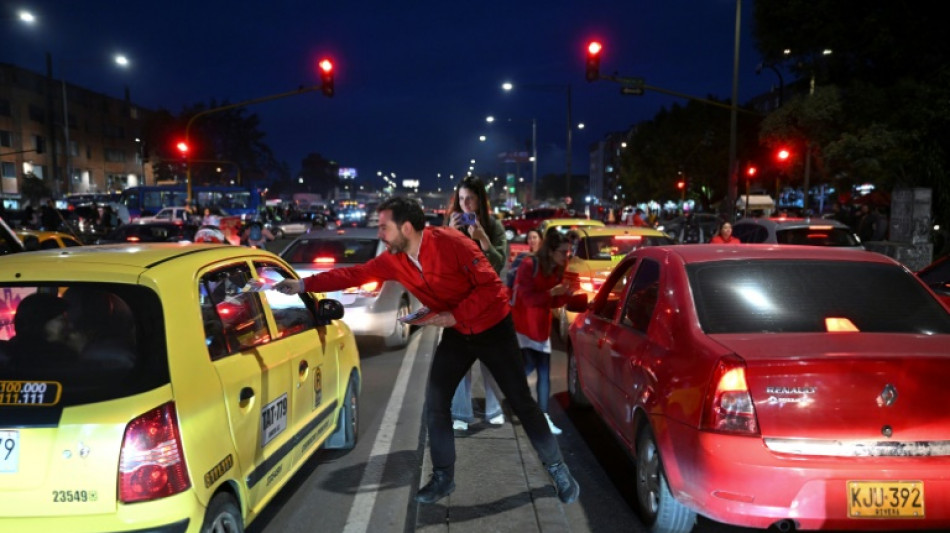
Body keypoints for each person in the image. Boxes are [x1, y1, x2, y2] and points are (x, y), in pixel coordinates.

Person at [273, 196, 579, 505]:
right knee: (436, 402)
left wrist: (454, 315)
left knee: (521, 402)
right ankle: (443, 478)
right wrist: (302, 285)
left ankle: (558, 469)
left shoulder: (452, 242)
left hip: (493, 328)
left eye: (384, 227)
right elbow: (354, 274)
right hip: (458, 333)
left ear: (406, 227)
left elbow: (492, 289)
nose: (380, 233)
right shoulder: (394, 259)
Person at [445, 176, 508, 430]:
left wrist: (483, 240)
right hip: (461, 303)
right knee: (460, 361)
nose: (465, 205)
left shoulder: (494, 226)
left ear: (480, 200)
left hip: (488, 304)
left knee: (490, 360)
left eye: (470, 199)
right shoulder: (453, 226)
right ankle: (461, 413)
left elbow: (498, 264)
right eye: (461, 199)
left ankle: (494, 409)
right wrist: (450, 233)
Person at [512, 231, 575, 435]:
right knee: (534, 366)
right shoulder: (529, 265)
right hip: (524, 324)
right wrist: (551, 293)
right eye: (563, 252)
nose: (566, 256)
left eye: (568, 252)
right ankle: (520, 400)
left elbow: (552, 303)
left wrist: (566, 296)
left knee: (542, 370)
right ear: (550, 251)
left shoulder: (558, 268)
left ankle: (542, 415)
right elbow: (527, 299)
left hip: (540, 326)